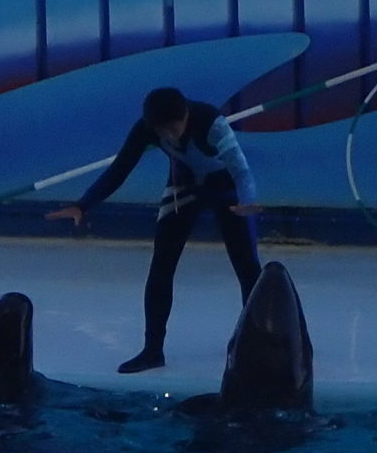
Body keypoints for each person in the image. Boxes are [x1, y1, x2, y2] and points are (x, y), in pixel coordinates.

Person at [49, 85, 263, 374]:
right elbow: (120, 169)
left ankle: (259, 343)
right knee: (161, 266)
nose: (170, 137)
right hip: (183, 188)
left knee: (247, 266)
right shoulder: (148, 128)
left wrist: (247, 202)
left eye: (174, 129)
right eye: (164, 133)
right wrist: (83, 205)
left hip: (226, 190)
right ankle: (153, 351)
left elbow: (242, 171)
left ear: (186, 114)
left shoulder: (211, 123)